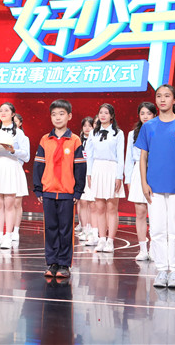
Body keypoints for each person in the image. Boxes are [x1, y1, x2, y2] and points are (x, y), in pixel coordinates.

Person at [135, 84, 175, 289]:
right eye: (159, 96)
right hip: (154, 186)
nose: (162, 99)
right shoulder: (148, 127)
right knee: (157, 229)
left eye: (167, 96)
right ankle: (162, 269)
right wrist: (144, 183)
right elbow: (143, 157)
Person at [33, 99, 85, 279]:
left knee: (66, 229)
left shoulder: (75, 140)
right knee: (50, 228)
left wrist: (78, 191)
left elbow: (80, 168)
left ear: (69, 116)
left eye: (61, 114)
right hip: (48, 191)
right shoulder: (45, 140)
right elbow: (38, 165)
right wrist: (38, 189)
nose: (57, 118)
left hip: (67, 193)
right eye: (54, 114)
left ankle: (64, 263)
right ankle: (52, 262)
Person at [0, 102, 29, 249]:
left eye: (6, 110)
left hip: (11, 167)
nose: (3, 113)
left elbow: (26, 156)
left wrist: (13, 150)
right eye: (1, 110)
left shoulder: (19, 133)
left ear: (13, 114)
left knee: (9, 205)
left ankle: (8, 236)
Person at [85, 103, 124, 253]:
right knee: (99, 207)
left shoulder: (118, 133)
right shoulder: (93, 133)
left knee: (112, 208)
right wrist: (89, 174)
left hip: (112, 169)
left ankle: (110, 241)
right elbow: (89, 155)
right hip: (97, 169)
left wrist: (119, 176)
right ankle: (101, 239)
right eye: (101, 112)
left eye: (106, 113)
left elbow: (120, 156)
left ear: (112, 116)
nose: (103, 115)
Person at [124, 102, 157, 261]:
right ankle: (143, 249)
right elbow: (129, 158)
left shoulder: (160, 130)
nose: (145, 116)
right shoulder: (133, 134)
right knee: (140, 212)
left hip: (156, 171)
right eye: (142, 113)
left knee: (156, 213)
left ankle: (155, 248)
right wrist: (128, 179)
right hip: (138, 172)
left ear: (154, 115)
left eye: (148, 113)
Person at [77, 116, 96, 244]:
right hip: (80, 173)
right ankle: (84, 228)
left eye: (90, 126)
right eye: (85, 126)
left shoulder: (95, 139)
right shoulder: (78, 140)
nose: (87, 128)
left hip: (92, 173)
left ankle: (91, 229)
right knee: (82, 202)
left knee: (91, 203)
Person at [12, 113, 30, 243]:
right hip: (4, 170)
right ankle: (6, 231)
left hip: (16, 170)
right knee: (5, 203)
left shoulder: (23, 137)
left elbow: (26, 157)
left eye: (15, 121)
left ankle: (15, 231)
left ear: (20, 123)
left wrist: (14, 151)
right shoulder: (1, 135)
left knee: (16, 203)